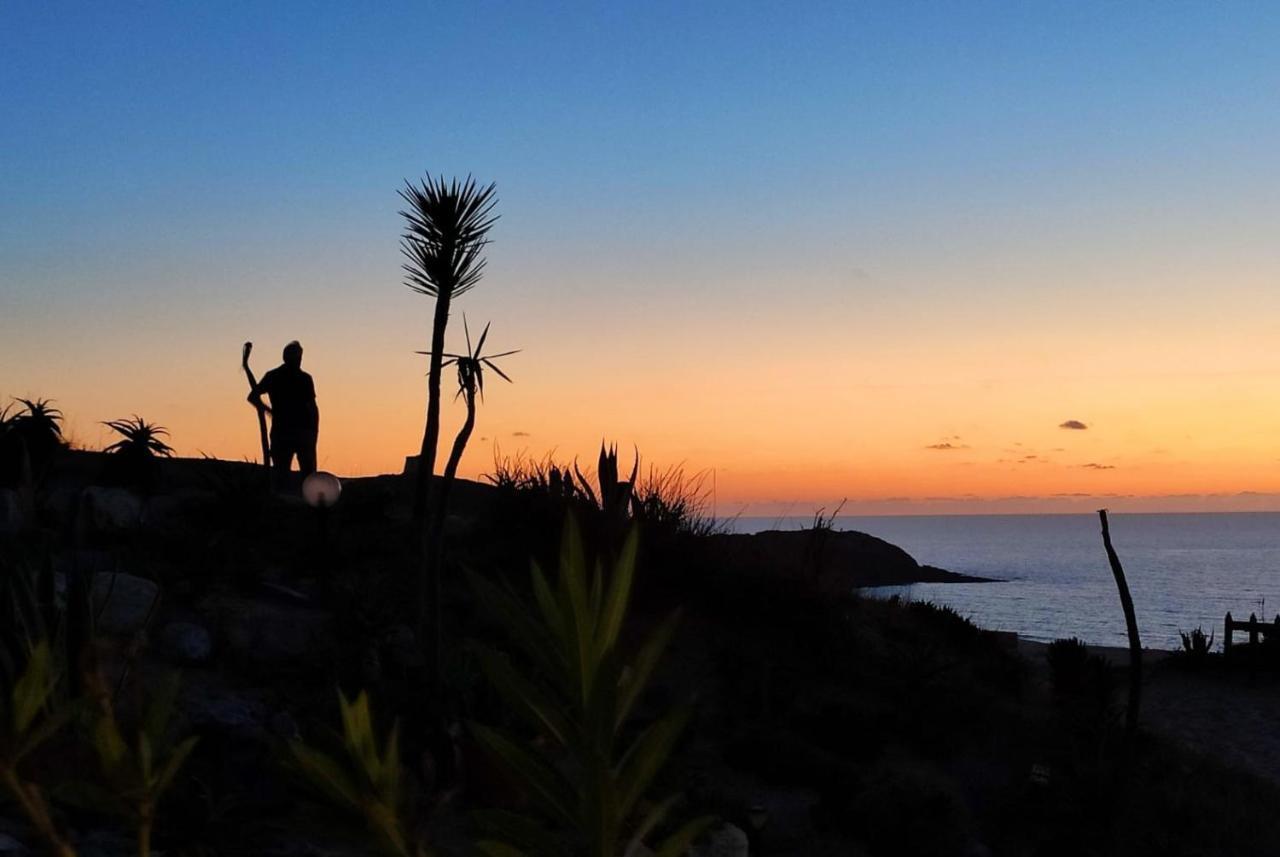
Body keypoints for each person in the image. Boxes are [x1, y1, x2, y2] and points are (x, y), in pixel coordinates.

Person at [248, 341, 319, 489]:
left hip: (294, 431)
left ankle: (307, 504)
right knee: (289, 473)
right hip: (291, 432)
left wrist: (268, 411)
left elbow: (253, 397)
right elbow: (312, 408)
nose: (299, 361)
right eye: (297, 357)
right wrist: (269, 411)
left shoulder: (284, 376)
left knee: (298, 473)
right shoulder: (297, 377)